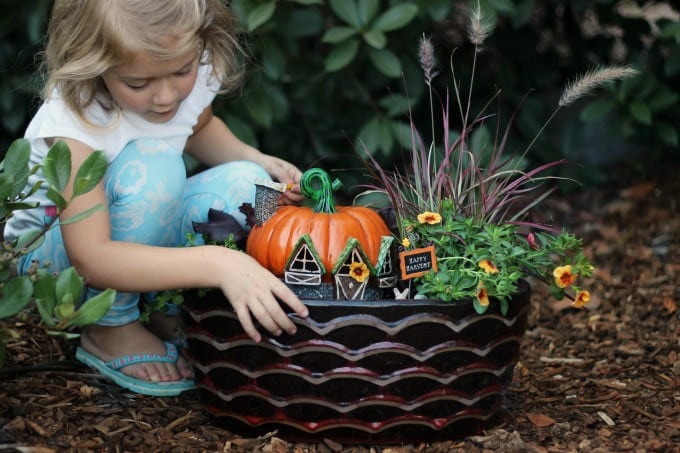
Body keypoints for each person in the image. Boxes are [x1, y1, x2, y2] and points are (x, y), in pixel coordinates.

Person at [3, 0, 309, 396]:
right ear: (94, 64)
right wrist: (218, 262)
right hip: (50, 264)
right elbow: (91, 257)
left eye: (181, 72)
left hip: (129, 232)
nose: (166, 97)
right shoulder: (76, 121)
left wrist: (261, 161)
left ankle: (165, 311)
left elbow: (198, 128)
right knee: (155, 165)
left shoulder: (191, 68)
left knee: (252, 185)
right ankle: (110, 327)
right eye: (138, 84)